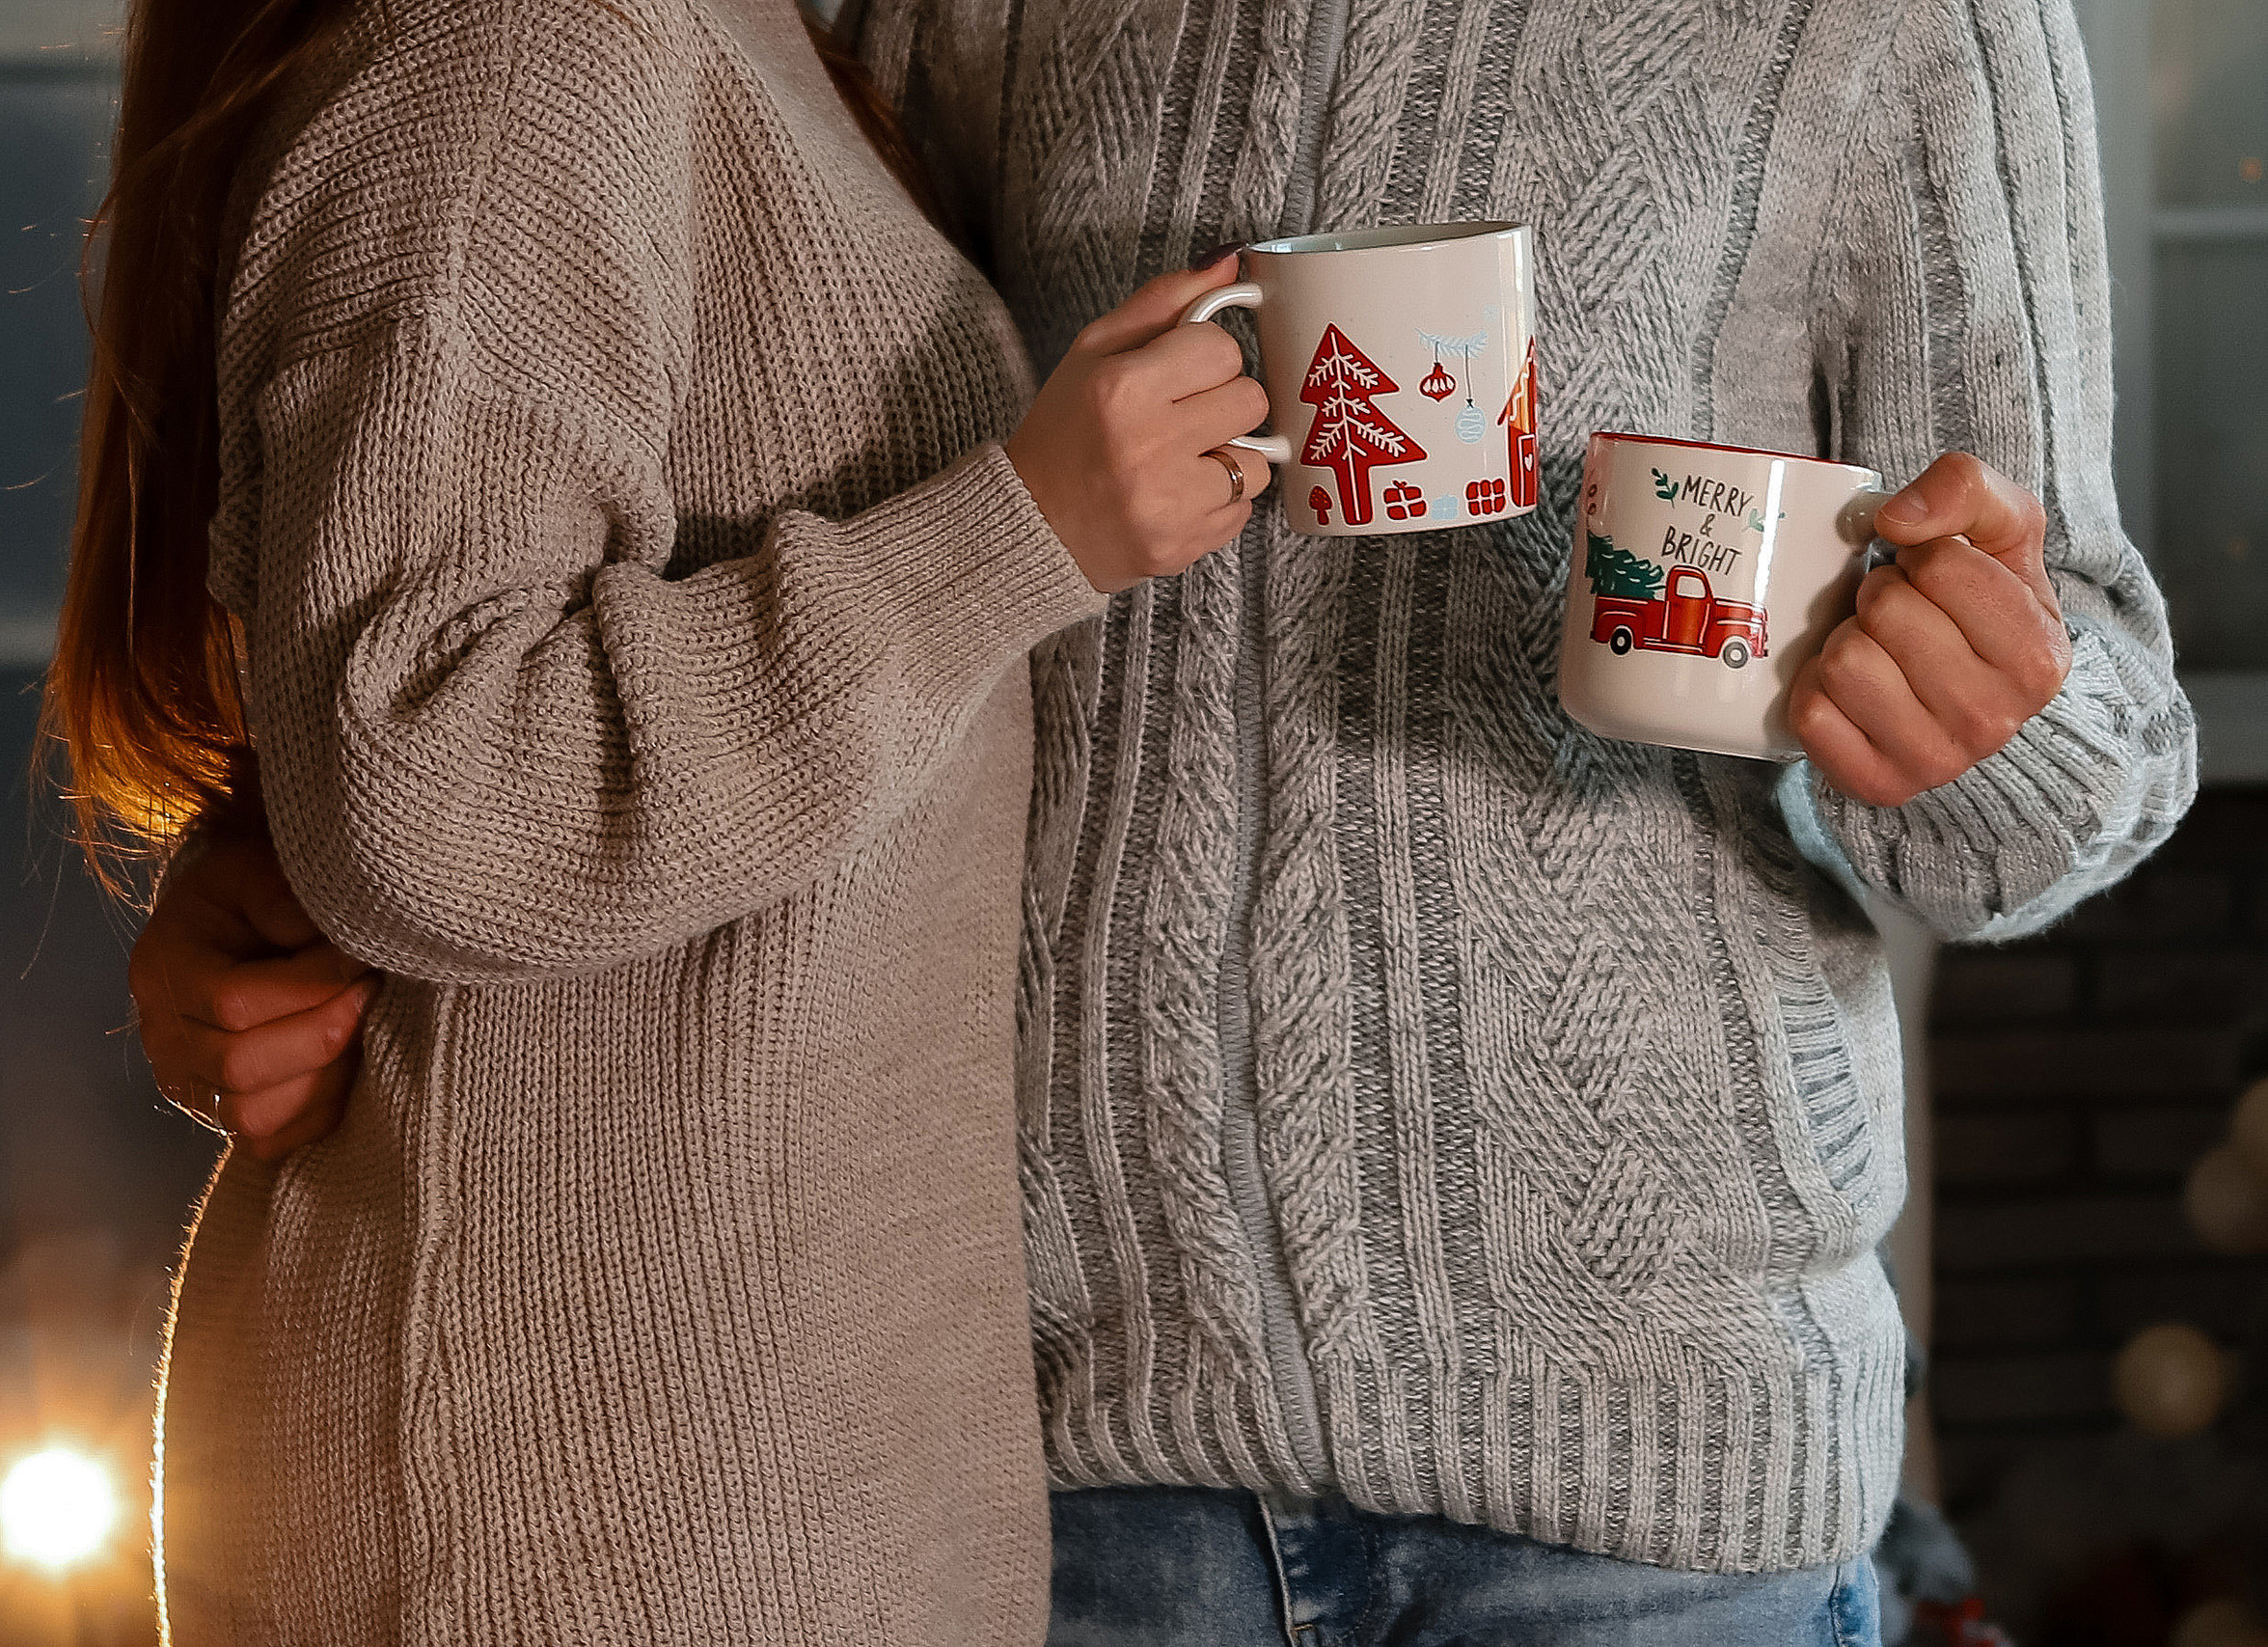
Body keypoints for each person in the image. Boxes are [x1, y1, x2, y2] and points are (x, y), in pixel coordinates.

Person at [135, 0, 2198, 1636]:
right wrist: (271, 879)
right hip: (1027, 1464)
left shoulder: (1893, 20)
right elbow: (625, 461)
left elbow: (2083, 726)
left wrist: (1996, 725)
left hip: (1643, 1495)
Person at [46, 0, 1281, 1639]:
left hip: (725, 1476)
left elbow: (399, 700)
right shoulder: (527, 34)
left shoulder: (731, 38)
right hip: (583, 1502)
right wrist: (1016, 531)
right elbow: (429, 781)